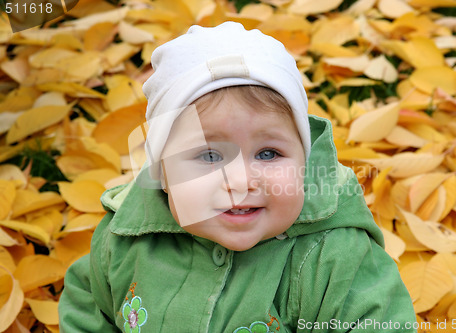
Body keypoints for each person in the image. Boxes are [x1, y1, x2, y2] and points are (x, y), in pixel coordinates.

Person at [58, 21, 417, 332]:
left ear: (304, 164)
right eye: (209, 155)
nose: (241, 180)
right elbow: (91, 306)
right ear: (162, 173)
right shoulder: (124, 241)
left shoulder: (334, 257)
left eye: (268, 153)